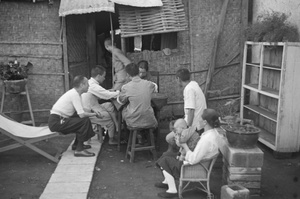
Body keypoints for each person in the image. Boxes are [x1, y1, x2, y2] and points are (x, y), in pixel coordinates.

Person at [155, 109, 220, 198]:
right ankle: (167, 181)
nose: (198, 121)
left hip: (192, 166)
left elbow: (193, 159)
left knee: (164, 160)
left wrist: (184, 146)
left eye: (200, 119)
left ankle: (172, 189)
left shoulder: (206, 140)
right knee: (166, 155)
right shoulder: (213, 133)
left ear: (205, 122)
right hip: (199, 162)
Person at [48, 75, 101, 157]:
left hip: (59, 120)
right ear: (82, 85)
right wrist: (95, 114)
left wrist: (93, 111)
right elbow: (82, 114)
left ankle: (77, 145)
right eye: (87, 84)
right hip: (57, 122)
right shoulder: (74, 95)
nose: (89, 86)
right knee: (84, 121)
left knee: (82, 120)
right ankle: (79, 150)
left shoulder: (75, 93)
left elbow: (81, 109)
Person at [165, 68, 207, 147]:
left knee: (169, 138)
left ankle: (184, 151)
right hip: (200, 121)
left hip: (195, 125)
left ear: (178, 79)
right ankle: (183, 150)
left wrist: (188, 128)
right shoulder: (194, 84)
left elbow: (191, 110)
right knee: (173, 125)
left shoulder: (188, 89)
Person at [81, 66, 119, 145]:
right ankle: (112, 138)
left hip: (93, 106)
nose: (104, 78)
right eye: (103, 76)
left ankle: (117, 125)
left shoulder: (91, 83)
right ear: (98, 76)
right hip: (89, 112)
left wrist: (109, 91)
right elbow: (106, 95)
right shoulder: (93, 86)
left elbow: (102, 93)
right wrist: (120, 93)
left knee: (109, 105)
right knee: (109, 119)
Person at [117, 63, 157, 129]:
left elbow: (121, 101)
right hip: (150, 120)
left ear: (127, 74)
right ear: (139, 72)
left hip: (133, 122)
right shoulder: (149, 84)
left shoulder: (126, 87)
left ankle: (126, 134)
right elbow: (155, 87)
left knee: (123, 110)